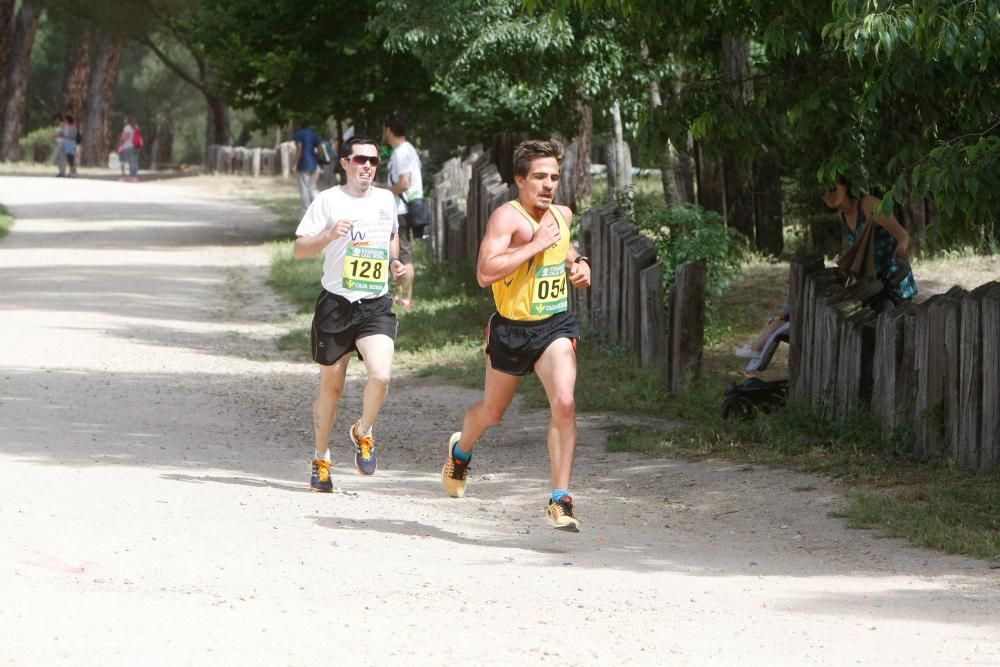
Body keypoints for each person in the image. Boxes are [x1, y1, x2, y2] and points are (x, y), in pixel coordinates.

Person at [440, 139, 592, 532]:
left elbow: (564, 246)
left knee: (565, 401)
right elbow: (484, 273)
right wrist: (534, 246)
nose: (548, 184)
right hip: (512, 329)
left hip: (554, 325)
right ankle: (460, 451)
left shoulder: (562, 214)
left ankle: (560, 499)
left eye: (554, 177)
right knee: (492, 412)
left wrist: (579, 263)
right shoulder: (506, 219)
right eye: (539, 177)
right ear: (519, 180)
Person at [294, 136, 407, 490]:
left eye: (374, 160)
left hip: (374, 304)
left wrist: (394, 262)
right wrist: (328, 235)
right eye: (360, 160)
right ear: (344, 163)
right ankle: (321, 458)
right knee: (332, 389)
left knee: (382, 374)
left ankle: (363, 431)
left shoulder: (386, 199)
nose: (368, 166)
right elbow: (299, 249)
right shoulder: (327, 200)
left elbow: (392, 236)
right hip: (336, 304)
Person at [736, 176, 917, 372]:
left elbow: (903, 236)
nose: (828, 196)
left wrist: (900, 252)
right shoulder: (844, 214)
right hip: (870, 285)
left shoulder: (869, 204)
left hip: (892, 283)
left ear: (846, 185)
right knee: (795, 308)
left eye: (832, 188)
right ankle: (765, 338)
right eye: (823, 192)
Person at [383, 113, 426, 309]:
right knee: (402, 254)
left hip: (402, 208)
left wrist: (383, 191)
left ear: (388, 130)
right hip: (408, 206)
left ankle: (406, 298)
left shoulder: (401, 152)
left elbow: (404, 183)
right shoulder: (408, 150)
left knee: (403, 255)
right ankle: (403, 296)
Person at [293, 121, 321, 214]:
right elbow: (321, 149)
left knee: (304, 188)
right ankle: (317, 208)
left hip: (303, 164)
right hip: (314, 164)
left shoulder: (298, 135)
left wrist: (294, 164)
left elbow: (299, 149)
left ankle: (306, 210)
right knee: (311, 188)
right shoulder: (314, 135)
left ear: (300, 125)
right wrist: (316, 158)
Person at [119, 117, 139, 182]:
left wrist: (121, 141)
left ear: (128, 121)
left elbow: (125, 137)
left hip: (128, 147)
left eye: (125, 119)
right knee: (134, 162)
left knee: (129, 162)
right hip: (136, 146)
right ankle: (134, 177)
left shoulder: (127, 127)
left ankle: (131, 177)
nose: (124, 120)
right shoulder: (136, 126)